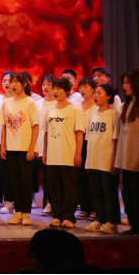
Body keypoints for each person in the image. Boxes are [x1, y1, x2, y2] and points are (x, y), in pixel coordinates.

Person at [114, 71, 139, 235]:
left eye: (128, 82)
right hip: (126, 157)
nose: (124, 86)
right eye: (123, 82)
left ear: (136, 84)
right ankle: (135, 224)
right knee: (129, 193)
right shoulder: (126, 104)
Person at [42, 78, 86, 229]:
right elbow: (46, 133)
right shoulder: (49, 110)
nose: (55, 91)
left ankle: (68, 217)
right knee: (53, 186)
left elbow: (79, 133)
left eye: (59, 89)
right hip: (52, 155)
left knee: (69, 187)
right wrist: (45, 152)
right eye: (54, 88)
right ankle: (57, 215)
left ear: (67, 91)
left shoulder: (75, 110)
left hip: (68, 154)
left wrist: (78, 154)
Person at [0, 74, 39, 226]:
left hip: (25, 148)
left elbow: (35, 127)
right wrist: (3, 146)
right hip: (11, 148)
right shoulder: (6, 103)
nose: (13, 85)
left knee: (25, 181)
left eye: (16, 82)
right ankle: (18, 212)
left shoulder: (30, 102)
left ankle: (26, 213)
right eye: (12, 82)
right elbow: (4, 126)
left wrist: (31, 148)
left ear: (24, 85)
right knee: (14, 181)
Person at [84, 84, 120, 234]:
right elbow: (89, 138)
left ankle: (111, 222)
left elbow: (116, 139)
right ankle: (100, 219)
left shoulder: (114, 114)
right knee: (96, 192)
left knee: (109, 192)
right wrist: (88, 160)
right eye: (95, 93)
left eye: (99, 93)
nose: (96, 96)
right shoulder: (92, 113)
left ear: (108, 96)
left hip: (107, 159)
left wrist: (115, 160)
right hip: (93, 159)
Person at [74, 77, 97, 220]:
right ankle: (84, 207)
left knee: (92, 177)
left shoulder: (98, 106)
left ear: (93, 89)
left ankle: (95, 208)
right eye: (80, 87)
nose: (82, 90)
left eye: (86, 87)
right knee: (80, 176)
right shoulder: (76, 106)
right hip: (79, 142)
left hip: (94, 143)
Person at [0, 71, 16, 214]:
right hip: (1, 141)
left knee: (15, 174)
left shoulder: (20, 100)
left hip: (17, 141)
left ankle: (16, 202)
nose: (7, 83)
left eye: (10, 81)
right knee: (4, 173)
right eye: (4, 81)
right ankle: (7, 200)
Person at [36, 75, 57, 216]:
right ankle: (47, 204)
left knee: (53, 178)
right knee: (45, 178)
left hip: (55, 146)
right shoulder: (37, 104)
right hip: (39, 147)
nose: (45, 87)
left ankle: (55, 204)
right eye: (43, 84)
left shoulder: (58, 104)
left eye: (49, 84)